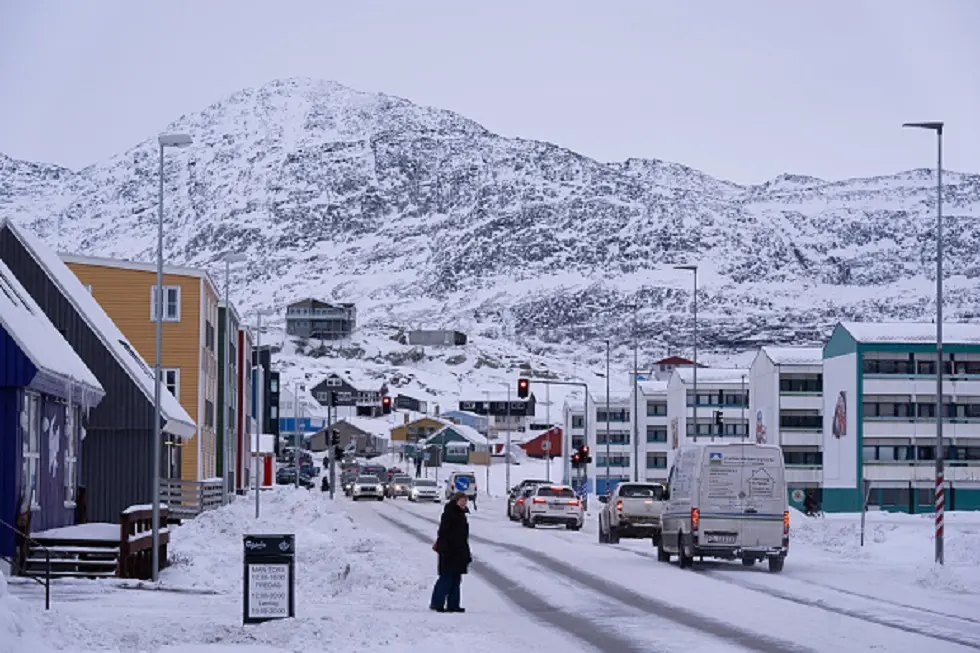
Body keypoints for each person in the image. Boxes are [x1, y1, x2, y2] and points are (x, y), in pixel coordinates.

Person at [430, 491, 472, 613]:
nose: (464, 503)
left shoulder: (461, 515)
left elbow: (463, 537)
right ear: (456, 501)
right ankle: (437, 603)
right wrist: (446, 549)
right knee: (446, 578)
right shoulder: (449, 514)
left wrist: (466, 553)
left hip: (459, 551)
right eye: (462, 501)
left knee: (456, 579)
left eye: (465, 501)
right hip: (449, 552)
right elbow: (443, 533)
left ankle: (453, 605)